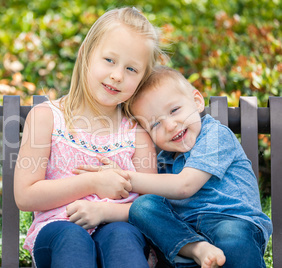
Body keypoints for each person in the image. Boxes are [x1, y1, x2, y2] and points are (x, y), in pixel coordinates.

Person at [75, 65, 272, 267]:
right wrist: (102, 208)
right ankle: (195, 249)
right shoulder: (164, 162)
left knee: (231, 237)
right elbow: (143, 210)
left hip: (232, 222)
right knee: (143, 206)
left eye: (175, 110)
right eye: (155, 124)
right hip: (184, 236)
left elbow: (184, 186)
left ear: (196, 102)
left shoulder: (215, 135)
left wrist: (124, 177)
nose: (170, 125)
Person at [14, 7, 165, 268]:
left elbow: (148, 207)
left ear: (142, 79)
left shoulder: (137, 135)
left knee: (121, 236)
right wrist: (94, 183)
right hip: (58, 230)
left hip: (119, 227)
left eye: (131, 69)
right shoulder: (47, 118)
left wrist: (105, 212)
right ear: (85, 54)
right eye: (109, 60)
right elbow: (26, 195)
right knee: (71, 238)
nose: (117, 75)